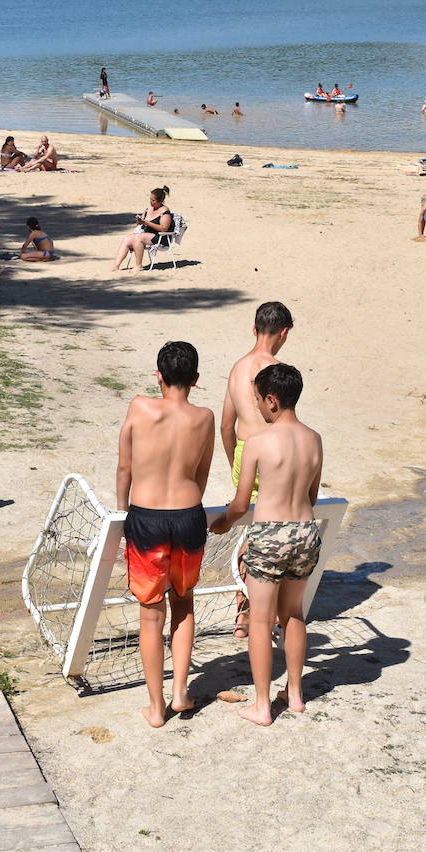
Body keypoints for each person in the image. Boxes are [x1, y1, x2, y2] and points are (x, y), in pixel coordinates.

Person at [209, 363, 324, 727]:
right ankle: (294, 694)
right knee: (293, 613)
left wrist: (223, 523)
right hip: (305, 530)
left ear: (272, 401)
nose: (257, 407)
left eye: (258, 400)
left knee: (260, 620)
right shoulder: (314, 439)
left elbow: (242, 503)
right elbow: (312, 495)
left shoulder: (258, 442)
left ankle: (262, 704)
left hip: (270, 533)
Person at [116, 341, 215, 728]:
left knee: (150, 613)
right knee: (184, 603)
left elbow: (125, 466)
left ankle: (156, 708)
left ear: (158, 375)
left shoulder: (140, 407)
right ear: (195, 380)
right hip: (190, 515)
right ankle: (180, 694)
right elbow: (203, 471)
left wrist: (123, 509)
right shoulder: (204, 417)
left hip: (147, 517)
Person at [220, 300, 293, 638]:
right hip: (273, 456)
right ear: (284, 332)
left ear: (253, 329)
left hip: (244, 453)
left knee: (248, 531)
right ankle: (272, 611)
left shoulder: (237, 369)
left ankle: (242, 614)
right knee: (273, 529)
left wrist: (235, 459)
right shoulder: (278, 372)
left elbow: (225, 425)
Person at [111, 186, 173, 271]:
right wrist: (140, 221)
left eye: (153, 200)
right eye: (150, 199)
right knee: (127, 238)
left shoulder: (164, 211)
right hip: (146, 234)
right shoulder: (148, 209)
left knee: (138, 238)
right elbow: (142, 221)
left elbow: (164, 228)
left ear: (160, 200)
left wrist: (147, 223)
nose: (151, 202)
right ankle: (116, 265)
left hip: (160, 237)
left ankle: (138, 265)